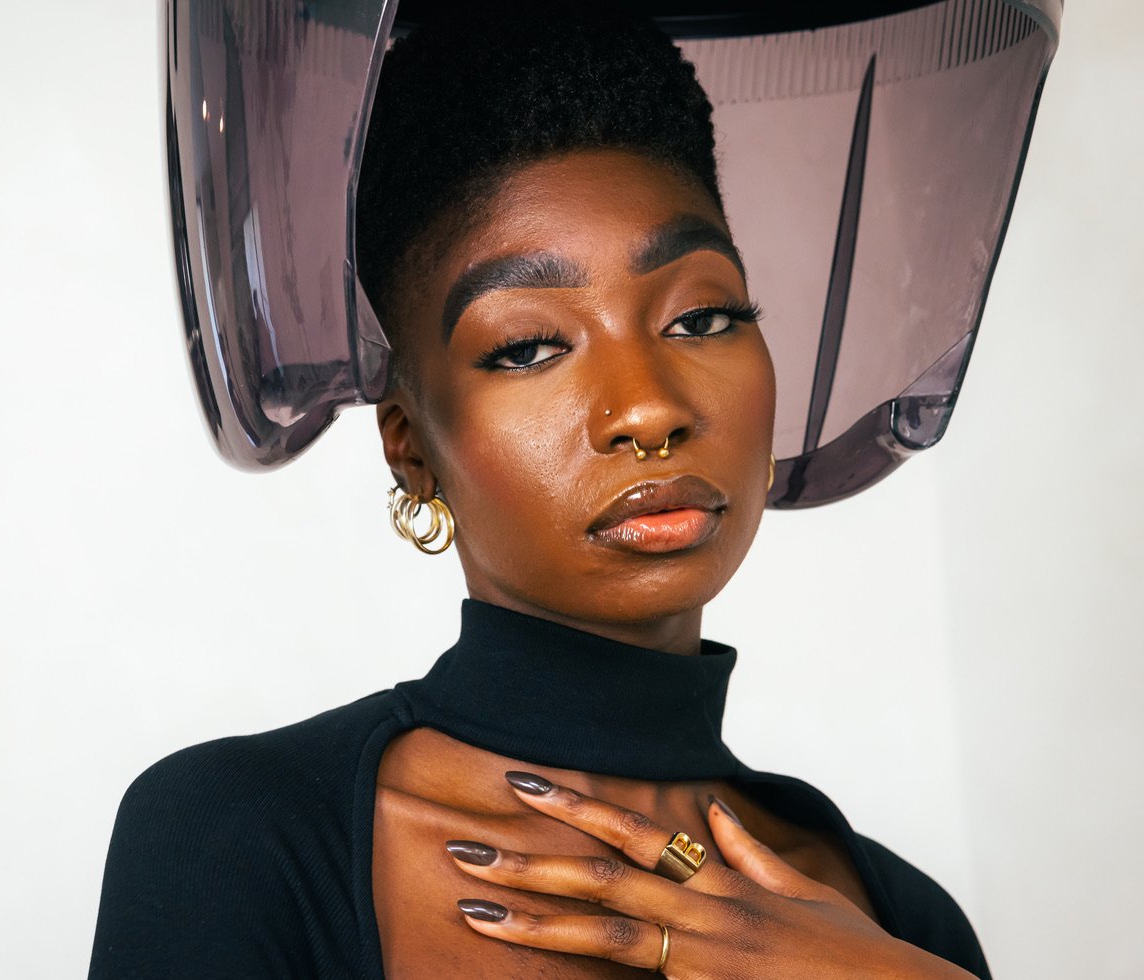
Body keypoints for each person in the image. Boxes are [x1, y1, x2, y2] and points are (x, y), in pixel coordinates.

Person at [89, 7, 990, 977]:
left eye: (701, 315)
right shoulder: (244, 836)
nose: (647, 407)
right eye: (526, 346)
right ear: (410, 448)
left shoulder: (897, 922)